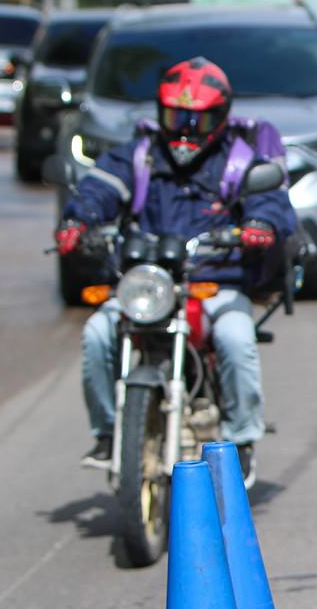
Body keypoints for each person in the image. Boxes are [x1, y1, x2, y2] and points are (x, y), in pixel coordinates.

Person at [57, 57, 297, 486]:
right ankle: (109, 433)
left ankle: (242, 439)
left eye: (197, 120)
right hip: (148, 284)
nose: (185, 130)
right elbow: (100, 187)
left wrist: (260, 225)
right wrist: (78, 221)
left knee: (236, 339)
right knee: (96, 334)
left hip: (215, 284)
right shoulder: (141, 155)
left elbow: (271, 201)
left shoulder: (240, 160)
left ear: (219, 117)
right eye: (175, 117)